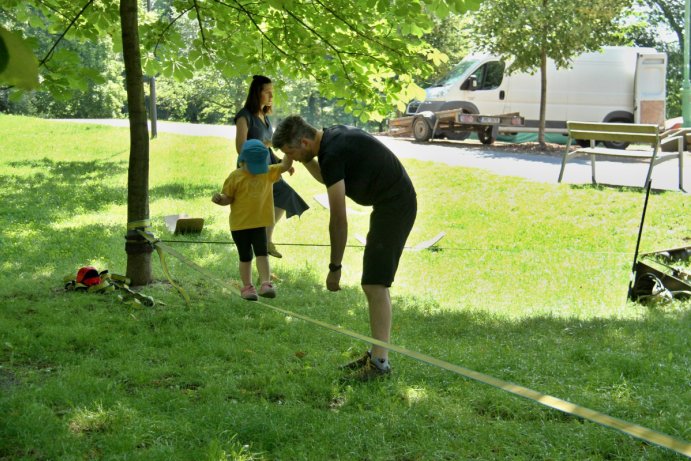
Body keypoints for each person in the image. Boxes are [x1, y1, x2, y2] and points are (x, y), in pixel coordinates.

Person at [272, 115, 417, 381]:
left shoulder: (332, 152)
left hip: (396, 206)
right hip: (389, 203)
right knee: (374, 283)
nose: (288, 158)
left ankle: (380, 364)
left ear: (304, 141)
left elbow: (338, 218)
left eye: (290, 152)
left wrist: (334, 267)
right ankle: (377, 355)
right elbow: (326, 176)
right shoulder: (331, 138)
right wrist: (303, 159)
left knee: (375, 284)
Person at [234, 75, 309, 258]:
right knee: (264, 205)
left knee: (285, 196)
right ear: (257, 93)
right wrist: (265, 145)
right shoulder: (244, 116)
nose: (271, 96)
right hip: (253, 170)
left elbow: (269, 148)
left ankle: (266, 240)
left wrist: (280, 163)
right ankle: (262, 245)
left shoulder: (266, 118)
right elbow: (240, 148)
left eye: (272, 92)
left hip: (270, 168)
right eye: (267, 92)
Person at [212, 139, 293, 300]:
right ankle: (247, 287)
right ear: (242, 161)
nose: (257, 170)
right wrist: (219, 199)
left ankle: (265, 283)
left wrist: (288, 149)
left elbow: (284, 165)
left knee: (262, 253)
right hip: (239, 225)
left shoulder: (267, 172)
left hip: (259, 223)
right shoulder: (235, 176)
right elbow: (228, 198)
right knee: (245, 256)